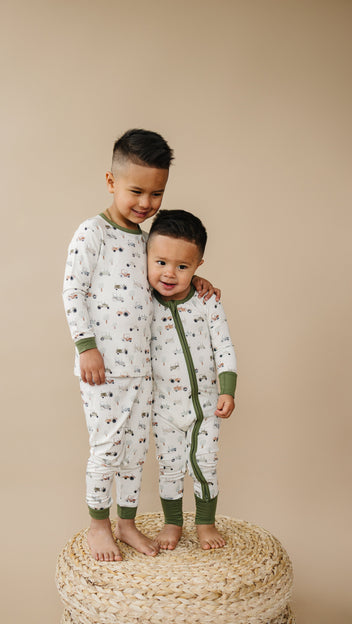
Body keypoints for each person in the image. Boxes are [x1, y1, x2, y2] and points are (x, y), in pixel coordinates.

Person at [62, 129, 220, 562]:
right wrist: (86, 346)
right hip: (103, 370)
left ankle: (126, 523)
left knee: (135, 453)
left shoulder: (147, 241)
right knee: (107, 448)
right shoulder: (92, 233)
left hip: (143, 370)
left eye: (157, 193)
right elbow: (73, 292)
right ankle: (99, 524)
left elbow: (163, 280)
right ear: (111, 181)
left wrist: (194, 281)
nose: (147, 203)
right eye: (136, 191)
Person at [147, 209, 237, 551]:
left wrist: (227, 390)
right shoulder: (143, 302)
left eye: (183, 267)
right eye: (161, 263)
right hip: (164, 408)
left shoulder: (206, 301)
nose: (170, 273)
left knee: (205, 465)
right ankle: (172, 522)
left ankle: (205, 523)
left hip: (205, 406)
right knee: (169, 467)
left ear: (198, 266)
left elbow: (223, 346)